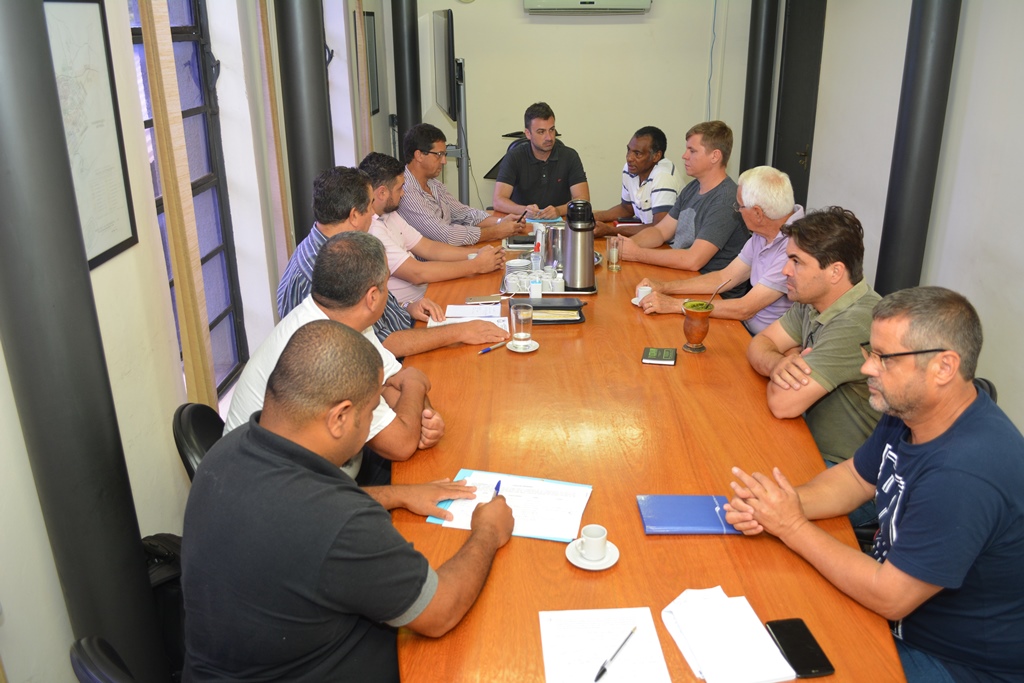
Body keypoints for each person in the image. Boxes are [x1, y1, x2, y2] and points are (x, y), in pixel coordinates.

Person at [183, 319, 514, 682]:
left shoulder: (228, 451)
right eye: (371, 411)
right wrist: (487, 532)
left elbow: (291, 514)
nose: (373, 421)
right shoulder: (338, 521)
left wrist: (399, 494)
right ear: (339, 417)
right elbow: (441, 611)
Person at [725, 287, 1024, 683]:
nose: (868, 368)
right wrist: (782, 503)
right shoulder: (910, 409)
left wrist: (791, 525)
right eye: (871, 351)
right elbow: (855, 477)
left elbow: (890, 596)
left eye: (885, 358)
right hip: (897, 613)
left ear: (944, 367)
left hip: (951, 659)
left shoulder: (965, 473)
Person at [226, 232, 444, 485]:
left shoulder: (346, 316)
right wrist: (417, 385)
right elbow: (401, 443)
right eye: (388, 282)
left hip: (325, 473)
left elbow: (392, 382)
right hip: (275, 490)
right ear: (372, 297)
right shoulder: (325, 348)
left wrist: (424, 419)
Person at [278, 166, 497, 358]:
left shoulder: (341, 246)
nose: (374, 213)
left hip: (401, 334)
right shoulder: (323, 272)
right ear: (354, 215)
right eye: (370, 205)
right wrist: (459, 332)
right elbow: (381, 344)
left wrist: (407, 307)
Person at [746, 206, 882, 478]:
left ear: (835, 272)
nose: (786, 270)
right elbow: (759, 343)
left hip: (849, 474)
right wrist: (780, 363)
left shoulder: (857, 321)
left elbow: (783, 404)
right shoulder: (812, 301)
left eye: (796, 261)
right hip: (804, 439)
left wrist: (788, 357)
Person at [635, 166, 802, 334]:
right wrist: (664, 287)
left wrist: (675, 304)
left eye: (740, 207)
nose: (737, 211)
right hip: (745, 328)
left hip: (768, 341)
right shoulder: (763, 233)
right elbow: (724, 277)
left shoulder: (795, 246)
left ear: (758, 213)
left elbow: (745, 308)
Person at [360, 152, 507, 312]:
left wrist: (478, 253)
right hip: (410, 311)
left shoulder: (389, 214)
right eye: (400, 188)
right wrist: (476, 265)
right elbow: (417, 274)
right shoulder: (372, 229)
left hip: (428, 294)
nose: (403, 193)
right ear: (382, 193)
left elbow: (430, 248)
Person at [618, 121, 748, 299]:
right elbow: (660, 231)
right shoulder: (693, 187)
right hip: (685, 277)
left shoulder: (726, 199)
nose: (684, 156)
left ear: (715, 156)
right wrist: (627, 246)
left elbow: (693, 260)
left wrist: (638, 254)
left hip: (712, 293)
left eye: (692, 151)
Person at [398, 124, 526, 246]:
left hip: (448, 254)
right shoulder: (406, 191)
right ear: (419, 155)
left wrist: (500, 222)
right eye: (439, 155)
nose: (444, 161)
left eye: (445, 154)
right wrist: (496, 232)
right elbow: (445, 235)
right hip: (429, 263)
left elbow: (464, 213)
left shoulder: (434, 184)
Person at [492, 102, 590, 219]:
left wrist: (558, 210)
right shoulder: (514, 157)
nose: (549, 137)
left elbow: (583, 199)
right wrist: (524, 210)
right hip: (522, 223)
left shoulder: (570, 156)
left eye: (552, 130)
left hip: (559, 224)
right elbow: (498, 201)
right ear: (528, 134)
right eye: (541, 132)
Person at [593, 126, 685, 237]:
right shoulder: (630, 169)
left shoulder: (663, 176)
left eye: (637, 153)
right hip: (647, 237)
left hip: (669, 246)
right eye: (628, 150)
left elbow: (660, 228)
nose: (629, 158)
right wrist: (593, 217)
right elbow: (626, 209)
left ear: (656, 156)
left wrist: (611, 231)